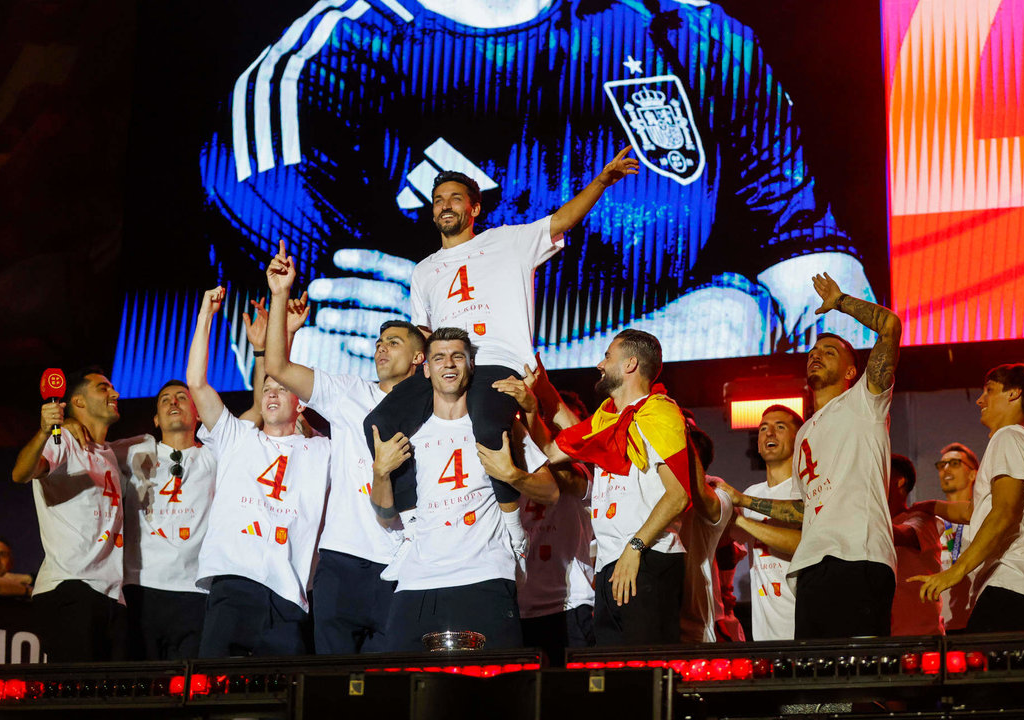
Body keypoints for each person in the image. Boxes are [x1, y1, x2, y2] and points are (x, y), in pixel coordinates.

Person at [200, 0, 881, 375]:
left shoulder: (696, 38)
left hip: (646, 491)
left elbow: (833, 297)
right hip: (433, 502)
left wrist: (452, 348)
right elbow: (315, 366)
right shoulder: (310, 75)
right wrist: (707, 327)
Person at [364, 150, 638, 516]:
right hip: (445, 366)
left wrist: (602, 180)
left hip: (496, 361)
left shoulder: (509, 242)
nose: (446, 206)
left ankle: (511, 525)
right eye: (438, 200)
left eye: (455, 199)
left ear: (474, 209)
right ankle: (411, 521)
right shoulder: (424, 271)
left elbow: (561, 220)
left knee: (489, 427)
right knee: (378, 424)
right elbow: (424, 331)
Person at [719, 273, 902, 638]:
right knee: (815, 685)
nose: (816, 355)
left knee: (855, 678)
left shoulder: (865, 399)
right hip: (811, 567)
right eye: (813, 353)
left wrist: (839, 302)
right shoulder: (804, 432)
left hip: (859, 557)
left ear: (852, 370)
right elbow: (803, 509)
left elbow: (891, 327)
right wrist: (743, 500)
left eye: (828, 352)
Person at [264, 240, 425, 653]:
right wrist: (279, 295)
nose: (381, 347)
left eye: (393, 341)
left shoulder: (435, 411)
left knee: (389, 688)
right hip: (340, 561)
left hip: (403, 563)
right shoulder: (348, 392)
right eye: (379, 342)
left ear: (420, 358)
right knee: (331, 689)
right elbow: (277, 367)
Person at [369, 327, 558, 652]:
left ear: (471, 367)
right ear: (425, 369)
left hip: (485, 575)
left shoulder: (498, 425)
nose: (449, 365)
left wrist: (513, 475)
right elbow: (386, 517)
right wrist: (381, 472)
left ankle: (516, 541)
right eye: (439, 357)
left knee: (495, 688)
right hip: (417, 580)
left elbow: (551, 493)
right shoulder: (408, 434)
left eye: (458, 357)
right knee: (400, 687)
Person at [186, 286, 331, 656]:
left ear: (301, 404)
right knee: (214, 695)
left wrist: (289, 338)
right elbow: (197, 384)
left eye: (281, 389)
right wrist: (206, 316)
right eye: (266, 388)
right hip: (234, 587)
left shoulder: (322, 451)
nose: (270, 393)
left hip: (289, 598)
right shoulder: (237, 437)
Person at [547, 329, 692, 645]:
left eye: (607, 356)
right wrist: (533, 390)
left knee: (644, 674)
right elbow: (555, 450)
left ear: (630, 364)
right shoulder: (608, 418)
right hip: (611, 563)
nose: (599, 364)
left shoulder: (658, 412)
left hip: (647, 556)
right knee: (614, 676)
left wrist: (635, 547)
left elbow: (679, 493)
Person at [911, 364, 1024, 633]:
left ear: (1014, 394)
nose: (980, 399)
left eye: (989, 390)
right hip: (1023, 590)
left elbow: (1004, 512)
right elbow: (973, 512)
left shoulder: (1008, 436)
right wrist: (926, 506)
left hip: (1012, 586)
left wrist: (954, 573)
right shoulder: (1022, 440)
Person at [11, 366, 128, 661]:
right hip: (71, 588)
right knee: (75, 701)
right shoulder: (60, 441)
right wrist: (44, 430)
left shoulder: (111, 454)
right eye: (103, 389)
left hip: (112, 594)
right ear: (78, 402)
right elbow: (21, 473)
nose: (114, 393)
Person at [492, 371, 596, 667]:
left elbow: (566, 479)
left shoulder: (580, 471)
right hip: (519, 606)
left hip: (570, 603)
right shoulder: (508, 463)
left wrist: (532, 418)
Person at [111, 381, 217, 660]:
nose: (173, 402)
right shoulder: (133, 450)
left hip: (194, 591)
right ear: (156, 420)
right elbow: (92, 447)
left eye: (182, 397)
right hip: (141, 589)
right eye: (165, 400)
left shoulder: (213, 455)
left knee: (187, 689)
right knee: (141, 688)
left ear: (197, 414)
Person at [721, 405, 804, 641]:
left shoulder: (807, 489)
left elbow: (805, 544)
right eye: (763, 428)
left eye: (780, 427)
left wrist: (742, 520)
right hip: (765, 635)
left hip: (803, 627)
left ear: (799, 439)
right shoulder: (752, 492)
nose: (769, 433)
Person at [678, 424, 734, 644]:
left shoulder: (718, 493)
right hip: (657, 611)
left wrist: (681, 434)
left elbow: (729, 551)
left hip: (697, 623)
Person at [887, 454, 943, 636]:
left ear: (899, 481)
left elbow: (904, 535)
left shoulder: (922, 519)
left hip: (922, 640)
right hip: (887, 639)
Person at [934, 442, 978, 633]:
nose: (946, 469)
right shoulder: (932, 522)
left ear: (972, 474)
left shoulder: (983, 519)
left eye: (954, 463)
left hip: (975, 620)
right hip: (940, 626)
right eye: (941, 465)